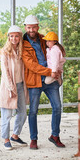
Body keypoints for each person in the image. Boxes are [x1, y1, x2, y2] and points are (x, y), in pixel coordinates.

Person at [22, 15, 65, 150]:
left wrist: (57, 70)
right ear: (25, 27)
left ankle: (55, 136)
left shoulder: (43, 39)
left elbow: (56, 51)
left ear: (37, 27)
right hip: (35, 80)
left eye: (34, 27)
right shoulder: (23, 44)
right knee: (33, 111)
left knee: (57, 107)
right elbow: (31, 65)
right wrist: (50, 72)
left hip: (50, 80)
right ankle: (33, 139)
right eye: (29, 27)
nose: (31, 30)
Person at [0, 25, 29, 150]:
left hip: (21, 85)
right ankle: (6, 139)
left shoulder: (21, 52)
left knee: (23, 113)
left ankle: (15, 136)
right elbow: (5, 72)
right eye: (11, 36)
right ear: (8, 37)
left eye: (16, 36)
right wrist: (11, 87)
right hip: (8, 87)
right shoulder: (5, 53)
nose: (14, 38)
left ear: (20, 37)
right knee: (6, 115)